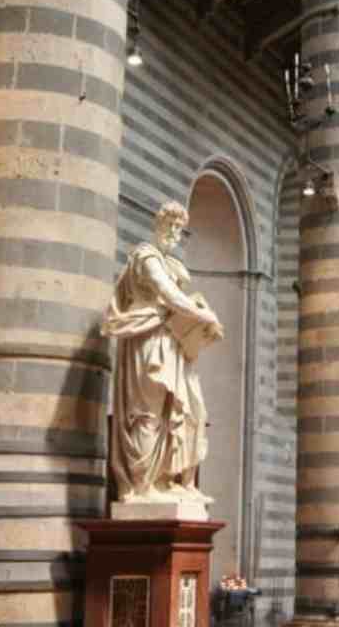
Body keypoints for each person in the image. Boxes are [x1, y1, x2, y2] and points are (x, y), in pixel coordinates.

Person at [102, 200, 224, 506]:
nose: (174, 232)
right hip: (148, 339)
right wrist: (203, 315)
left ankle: (166, 480)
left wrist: (200, 316)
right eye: (170, 224)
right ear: (158, 224)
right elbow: (168, 295)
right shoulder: (146, 257)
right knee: (148, 413)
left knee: (184, 412)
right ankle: (141, 485)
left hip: (172, 341)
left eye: (179, 228)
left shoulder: (172, 264)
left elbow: (177, 299)